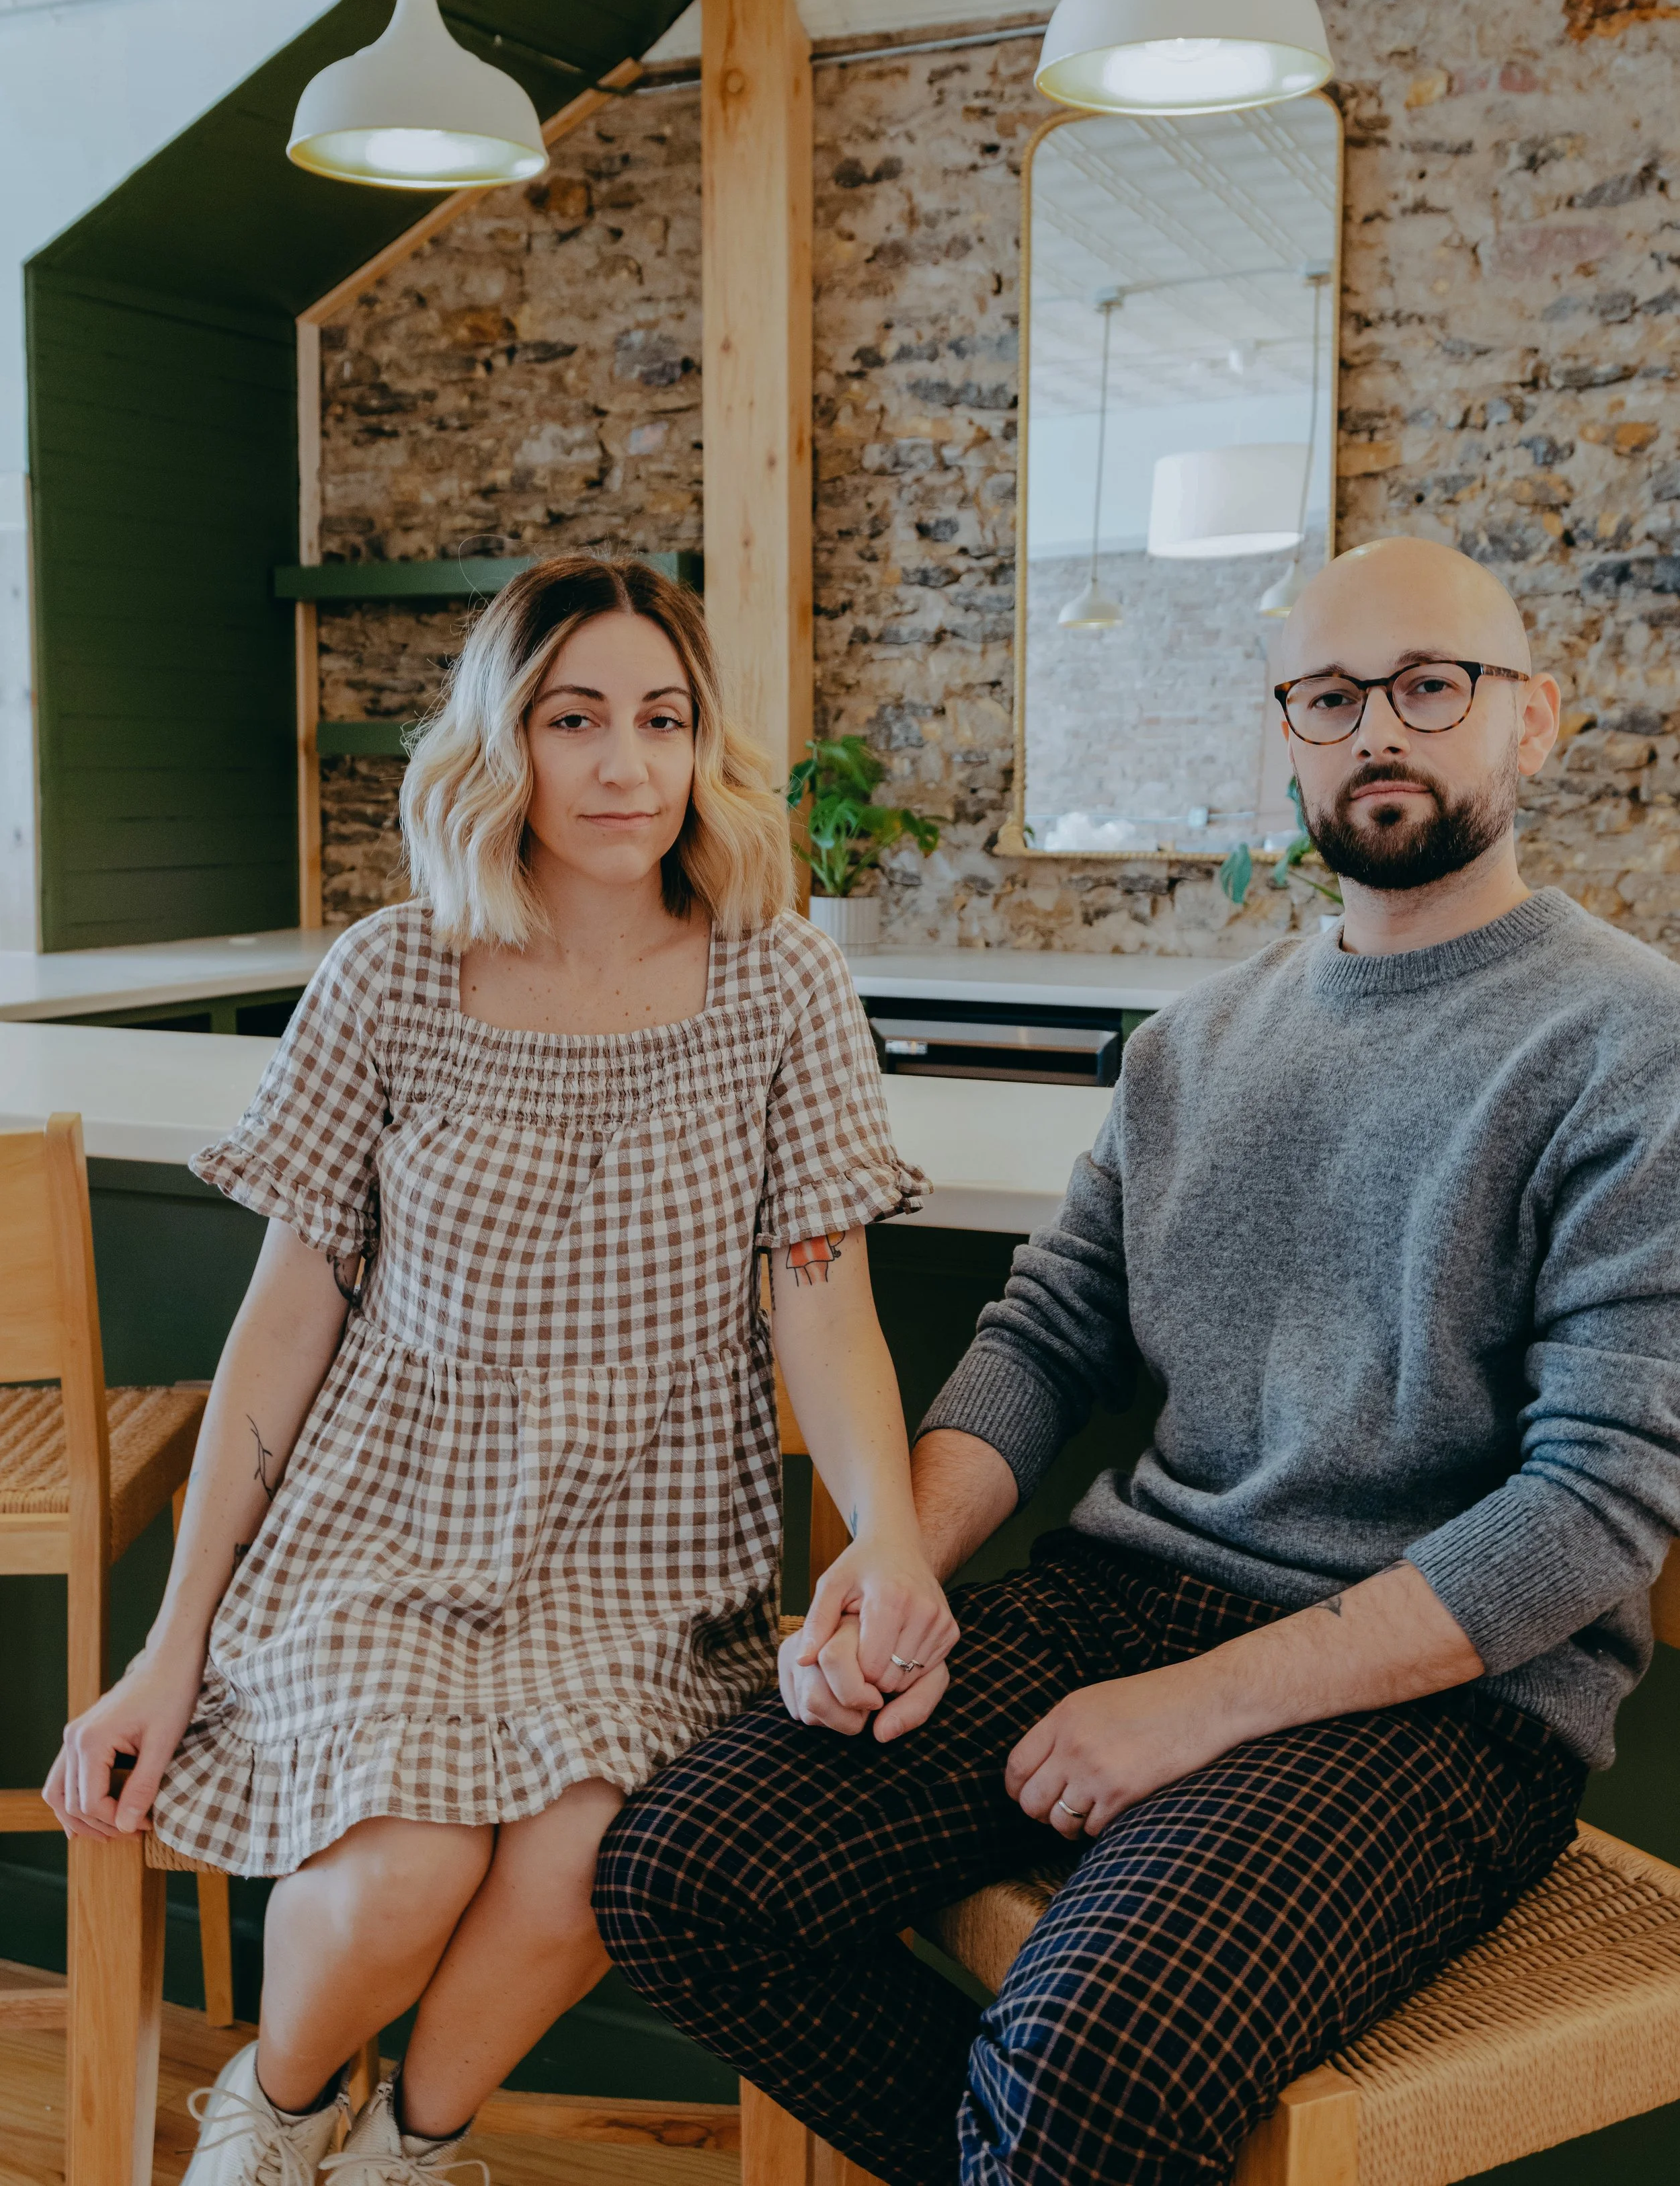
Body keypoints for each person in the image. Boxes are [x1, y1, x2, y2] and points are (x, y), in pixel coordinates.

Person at [596, 535, 1680, 2186]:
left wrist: (1195, 1708)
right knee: (679, 1872)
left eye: (1427, 684)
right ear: (1287, 736)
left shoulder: (1628, 1040)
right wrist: (899, 1558)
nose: (1375, 725)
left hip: (1446, 1699)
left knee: (1087, 2064)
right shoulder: (1189, 1043)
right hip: (1128, 1598)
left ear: (1530, 720)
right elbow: (1043, 1332)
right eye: (1328, 694)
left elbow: (1590, 1511)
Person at [45, 557, 955, 2186]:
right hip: (379, 1527)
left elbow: (824, 1307)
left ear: (702, 744)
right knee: (404, 1864)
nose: (624, 766)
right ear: (500, 744)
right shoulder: (391, 973)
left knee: (590, 1848)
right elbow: (284, 1318)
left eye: (661, 719)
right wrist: (169, 1643)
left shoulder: (781, 981)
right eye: (573, 718)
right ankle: (274, 2117)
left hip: (645, 1545)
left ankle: (411, 2150)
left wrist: (883, 1529)